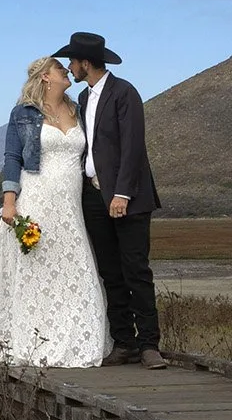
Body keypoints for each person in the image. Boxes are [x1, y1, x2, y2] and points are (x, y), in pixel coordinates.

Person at [0, 56, 111, 367]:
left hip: (70, 204)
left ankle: (78, 336)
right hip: (36, 197)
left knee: (76, 269)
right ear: (44, 78)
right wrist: (9, 202)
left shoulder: (77, 108)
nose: (66, 70)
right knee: (36, 268)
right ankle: (33, 336)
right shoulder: (23, 114)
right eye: (59, 68)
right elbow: (12, 157)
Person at [58, 31, 166, 368]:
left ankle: (149, 345)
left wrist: (121, 193)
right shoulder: (85, 99)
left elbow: (133, 146)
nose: (70, 67)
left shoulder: (124, 93)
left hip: (127, 197)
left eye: (72, 62)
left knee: (136, 269)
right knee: (110, 271)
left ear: (85, 63)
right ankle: (124, 343)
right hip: (93, 196)